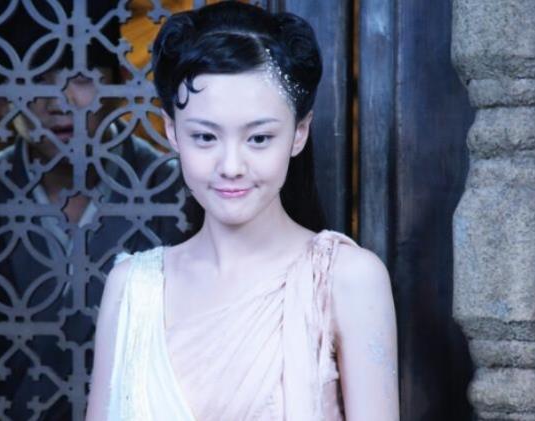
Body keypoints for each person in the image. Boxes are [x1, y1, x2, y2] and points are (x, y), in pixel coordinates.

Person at [86, 2, 399, 420]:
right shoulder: (131, 290)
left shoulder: (347, 279)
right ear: (172, 131)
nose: (231, 166)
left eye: (259, 138)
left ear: (299, 133)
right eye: (205, 137)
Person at [0, 1, 185, 420]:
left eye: (81, 77)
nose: (60, 101)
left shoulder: (173, 193)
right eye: (34, 79)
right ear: (0, 100)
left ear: (117, 84)